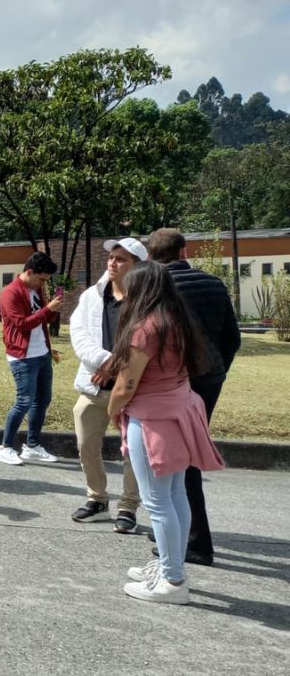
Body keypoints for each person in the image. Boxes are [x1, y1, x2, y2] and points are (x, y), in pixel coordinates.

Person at [106, 261, 224, 604]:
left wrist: (113, 412)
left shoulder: (145, 328)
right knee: (175, 495)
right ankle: (172, 567)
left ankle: (172, 581)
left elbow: (126, 384)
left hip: (153, 419)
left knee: (158, 502)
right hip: (179, 410)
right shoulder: (176, 320)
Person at [146, 229, 241, 566]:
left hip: (172, 382)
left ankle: (194, 542)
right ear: (184, 252)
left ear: (150, 255)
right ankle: (175, 527)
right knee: (183, 459)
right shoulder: (214, 284)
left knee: (175, 461)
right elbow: (232, 337)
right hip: (209, 378)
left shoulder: (154, 286)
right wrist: (218, 370)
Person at [69, 238, 145, 533]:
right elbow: (79, 335)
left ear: (137, 265)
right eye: (112, 258)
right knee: (86, 444)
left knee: (133, 451)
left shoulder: (146, 300)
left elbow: (148, 342)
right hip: (95, 384)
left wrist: (119, 366)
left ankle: (128, 507)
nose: (112, 263)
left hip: (133, 388)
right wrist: (107, 360)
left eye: (121, 259)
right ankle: (97, 500)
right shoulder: (92, 296)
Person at [0, 251, 63, 466]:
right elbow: (22, 324)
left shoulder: (36, 289)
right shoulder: (10, 293)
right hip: (22, 356)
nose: (42, 284)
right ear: (30, 272)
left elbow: (42, 319)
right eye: (41, 279)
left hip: (41, 353)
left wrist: (53, 309)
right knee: (24, 401)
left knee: (42, 400)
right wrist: (47, 310)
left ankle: (32, 445)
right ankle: (5, 447)